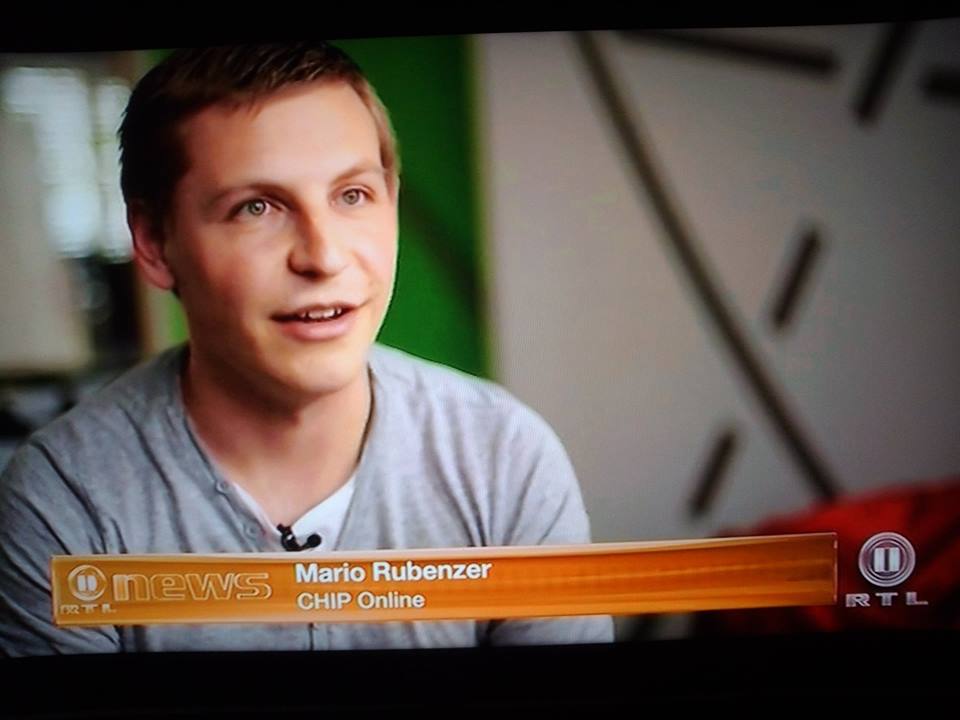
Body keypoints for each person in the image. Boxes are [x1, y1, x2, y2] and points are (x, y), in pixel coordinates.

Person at [0, 42, 613, 655]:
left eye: (353, 195)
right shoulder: (64, 498)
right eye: (256, 208)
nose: (323, 256)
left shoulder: (502, 456)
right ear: (156, 243)